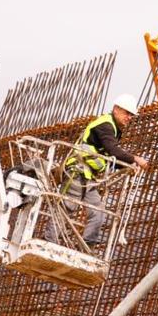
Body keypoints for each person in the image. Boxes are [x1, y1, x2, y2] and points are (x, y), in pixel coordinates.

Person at [44, 94, 149, 248]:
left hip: (88, 177)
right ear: (116, 109)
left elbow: (108, 157)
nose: (129, 117)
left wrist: (128, 167)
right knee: (67, 207)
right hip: (77, 172)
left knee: (97, 212)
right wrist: (135, 159)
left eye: (131, 115)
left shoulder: (113, 129)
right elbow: (112, 149)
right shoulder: (105, 125)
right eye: (127, 113)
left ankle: (87, 246)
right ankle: (49, 242)